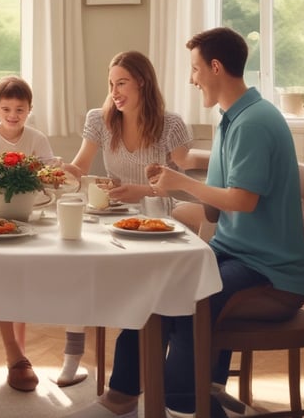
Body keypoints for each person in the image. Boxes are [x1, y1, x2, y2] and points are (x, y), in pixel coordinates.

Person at [68, 28, 304, 418]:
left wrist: (178, 183)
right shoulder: (236, 118)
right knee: (155, 284)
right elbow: (218, 202)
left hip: (270, 273)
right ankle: (126, 396)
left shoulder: (252, 124)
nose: (191, 78)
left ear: (215, 67)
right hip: (238, 253)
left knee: (185, 299)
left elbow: (242, 202)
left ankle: (184, 403)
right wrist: (172, 194)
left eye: (195, 69)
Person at [59, 50, 200, 388]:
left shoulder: (171, 124)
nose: (115, 92)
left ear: (141, 81)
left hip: (158, 219)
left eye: (121, 83)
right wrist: (63, 170)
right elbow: (80, 167)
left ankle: (147, 369)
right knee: (79, 271)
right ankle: (72, 356)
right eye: (111, 84)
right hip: (114, 217)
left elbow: (189, 174)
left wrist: (143, 191)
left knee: (143, 291)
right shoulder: (100, 119)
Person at [0, 75, 55, 391]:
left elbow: (50, 175)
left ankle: (20, 347)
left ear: (29, 109)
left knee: (30, 271)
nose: (13, 115)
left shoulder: (37, 138)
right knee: (4, 272)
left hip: (28, 215)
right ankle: (14, 352)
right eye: (6, 108)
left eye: (20, 109)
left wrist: (43, 175)